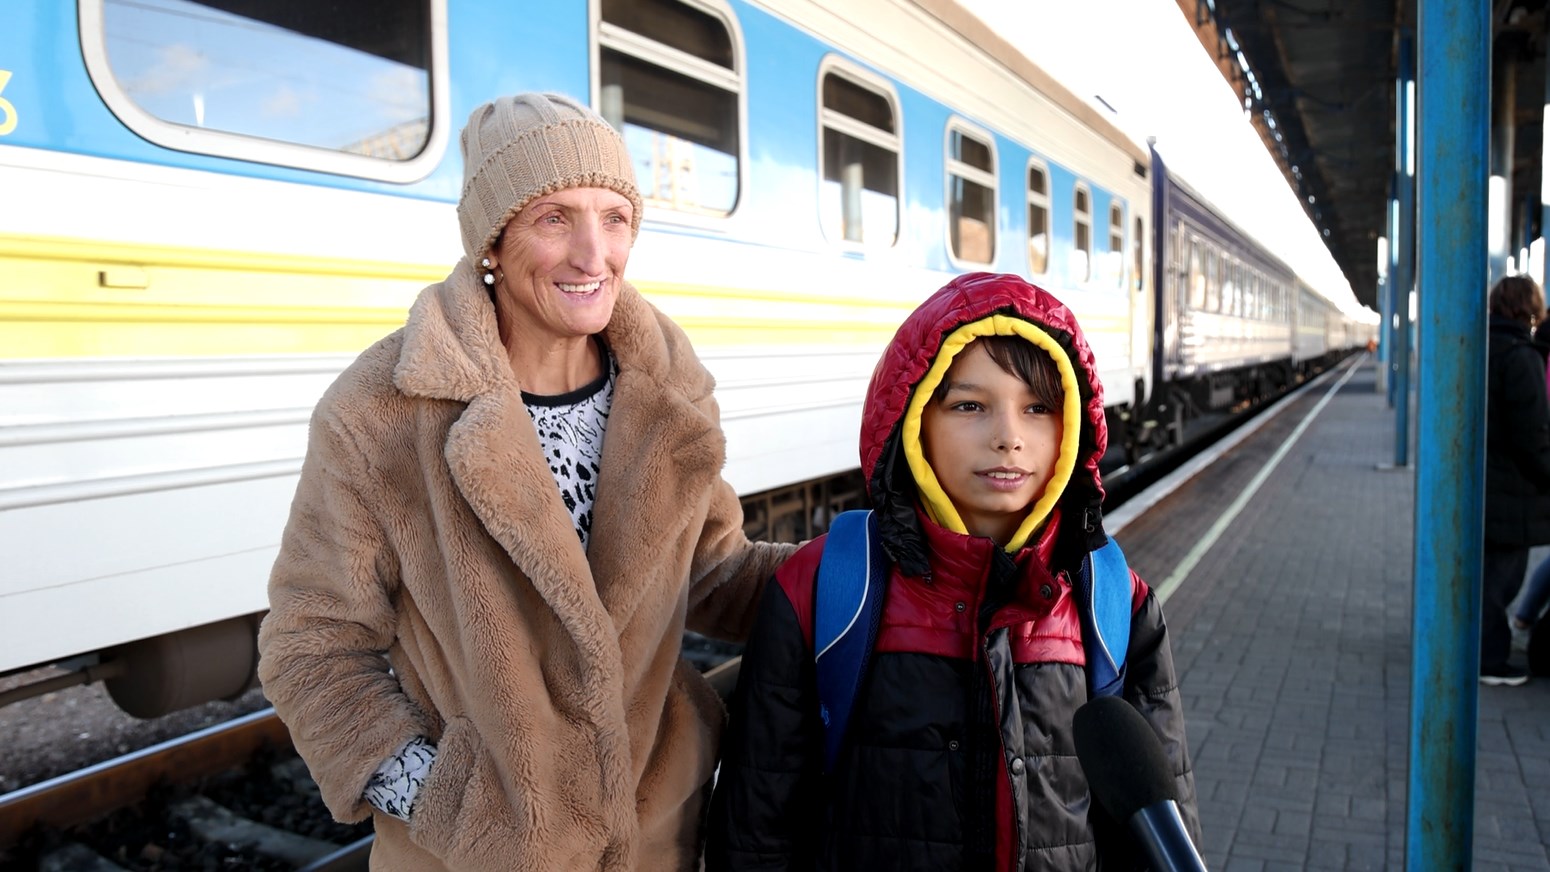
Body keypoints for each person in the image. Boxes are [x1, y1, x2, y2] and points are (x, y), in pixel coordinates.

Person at [256, 92, 795, 871]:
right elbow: (312, 644)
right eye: (554, 219)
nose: (593, 254)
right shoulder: (382, 410)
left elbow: (712, 574)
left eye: (615, 218)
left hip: (655, 840)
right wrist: (448, 806)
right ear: (492, 243)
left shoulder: (664, 387)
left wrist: (867, 568)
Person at [705, 272, 1200, 870]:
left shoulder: (1116, 605)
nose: (1009, 438)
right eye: (969, 405)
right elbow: (756, 834)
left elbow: (1159, 830)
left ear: (1070, 427)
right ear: (914, 420)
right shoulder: (824, 592)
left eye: (1038, 408)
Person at [1482, 275, 1550, 686]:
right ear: (1528, 308)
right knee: (1502, 581)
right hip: (1512, 489)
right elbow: (1531, 435)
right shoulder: (1520, 357)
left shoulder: (1480, 346)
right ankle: (1490, 661)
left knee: (1488, 575)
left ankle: (1481, 650)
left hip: (1485, 480)